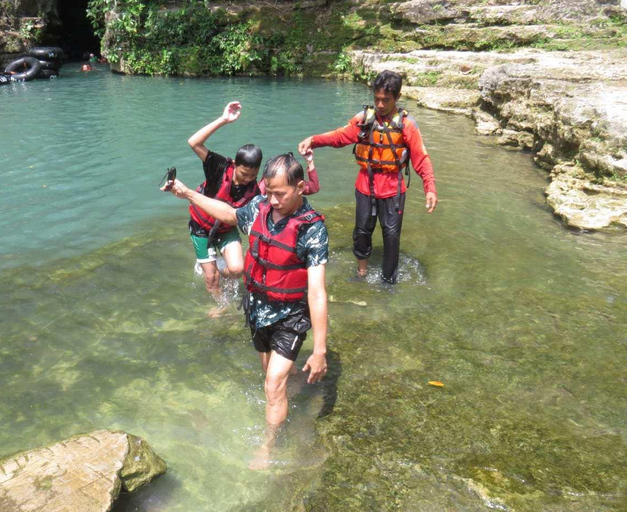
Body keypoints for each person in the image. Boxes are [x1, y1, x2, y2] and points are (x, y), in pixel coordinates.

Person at [163, 153, 329, 469]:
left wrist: (319, 349)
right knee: (271, 373)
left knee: (272, 383)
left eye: (280, 193)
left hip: (291, 315)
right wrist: (186, 193)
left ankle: (268, 445)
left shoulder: (312, 229)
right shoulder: (260, 208)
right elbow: (228, 213)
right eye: (269, 191)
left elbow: (317, 292)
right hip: (257, 310)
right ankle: (297, 383)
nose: (273, 199)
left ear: (299, 187)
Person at [298, 70, 438, 284]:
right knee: (362, 231)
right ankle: (362, 272)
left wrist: (430, 187)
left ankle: (388, 280)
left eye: (386, 100)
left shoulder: (407, 125)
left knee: (391, 236)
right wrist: (313, 140)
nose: (380, 105)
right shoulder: (364, 119)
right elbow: (340, 136)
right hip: (365, 185)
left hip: (393, 188)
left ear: (397, 98)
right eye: (377, 99)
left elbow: (421, 158)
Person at [186, 101, 263, 316]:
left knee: (238, 269)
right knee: (211, 280)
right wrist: (223, 120)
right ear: (235, 165)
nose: (246, 180)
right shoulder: (219, 166)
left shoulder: (255, 190)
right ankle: (223, 304)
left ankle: (218, 265)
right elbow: (193, 142)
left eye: (252, 176)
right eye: (242, 174)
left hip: (225, 229)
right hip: (201, 227)